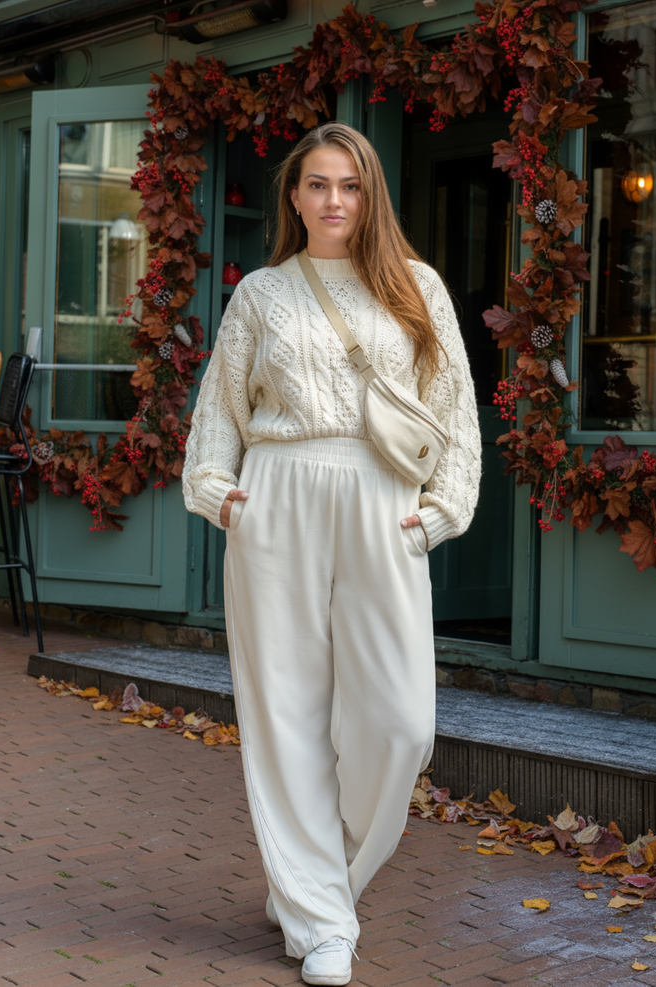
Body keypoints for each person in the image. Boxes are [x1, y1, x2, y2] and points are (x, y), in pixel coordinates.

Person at [182, 122, 481, 986]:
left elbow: (454, 413)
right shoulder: (263, 294)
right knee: (286, 713)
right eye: (317, 184)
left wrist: (438, 515)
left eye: (349, 184)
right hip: (278, 496)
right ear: (295, 196)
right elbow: (220, 413)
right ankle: (321, 918)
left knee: (399, 725)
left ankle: (318, 887)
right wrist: (217, 487)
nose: (334, 200)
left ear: (370, 193)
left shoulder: (415, 288)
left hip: (383, 504)